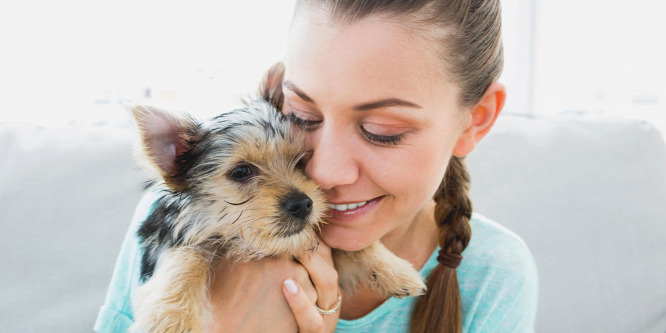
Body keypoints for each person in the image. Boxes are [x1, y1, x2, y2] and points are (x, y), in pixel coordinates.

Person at [95, 0, 538, 332]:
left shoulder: (491, 274)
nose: (321, 174)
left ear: (474, 119)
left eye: (382, 130)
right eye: (302, 117)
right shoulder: (171, 220)